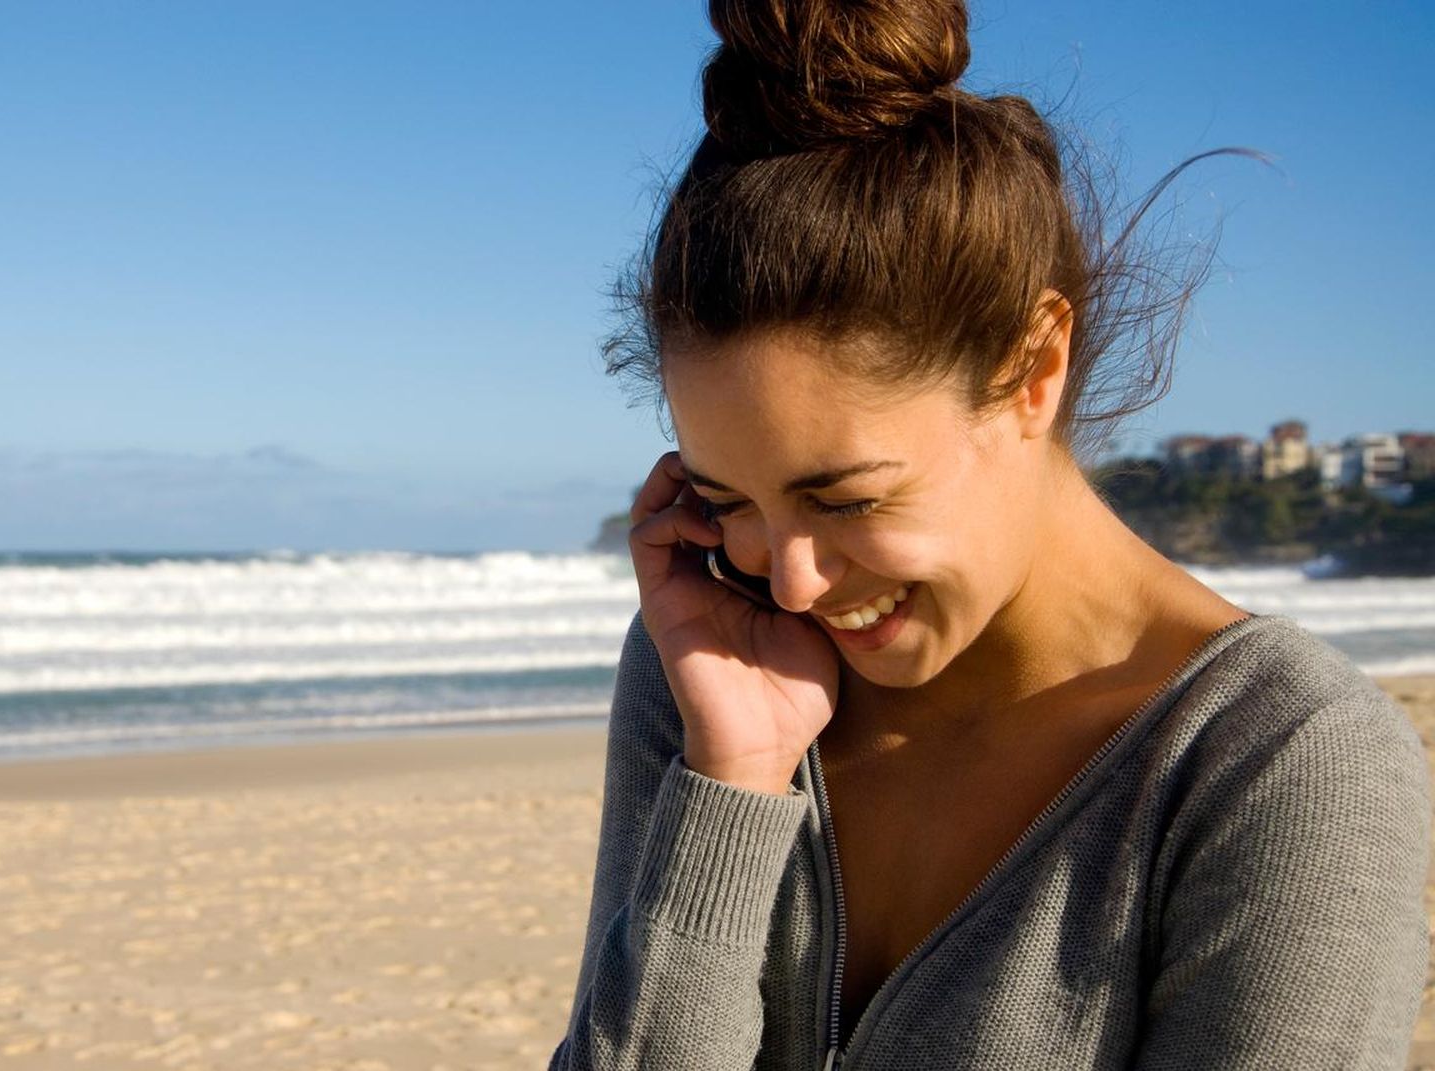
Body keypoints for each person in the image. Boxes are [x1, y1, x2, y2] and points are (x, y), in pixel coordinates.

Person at [550, 1, 1431, 1068]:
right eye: (728, 500)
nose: (786, 580)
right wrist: (730, 783)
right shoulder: (714, 670)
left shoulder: (1275, 763)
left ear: (1031, 368)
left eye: (846, 500)